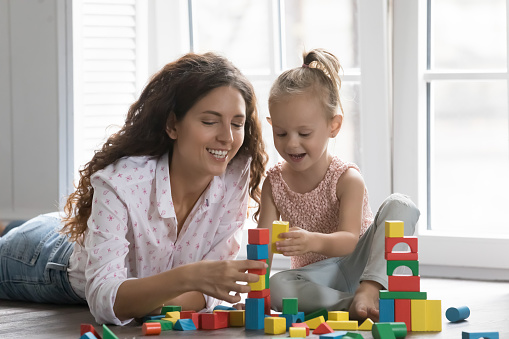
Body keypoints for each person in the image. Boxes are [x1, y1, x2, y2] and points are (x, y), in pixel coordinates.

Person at [0, 52, 269, 325]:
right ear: (172, 125)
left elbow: (210, 292)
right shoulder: (122, 182)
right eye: (210, 122)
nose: (227, 137)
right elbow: (106, 300)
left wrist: (155, 298)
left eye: (237, 123)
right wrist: (190, 278)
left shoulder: (235, 170)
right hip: (47, 258)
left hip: (82, 232)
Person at [256, 48, 420, 322]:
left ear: (334, 125)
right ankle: (351, 305)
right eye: (281, 133)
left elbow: (348, 241)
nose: (291, 143)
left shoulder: (346, 178)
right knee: (276, 287)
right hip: (317, 279)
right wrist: (254, 296)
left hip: (363, 266)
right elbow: (262, 247)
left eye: (304, 133)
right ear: (271, 125)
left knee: (400, 204)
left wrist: (310, 239)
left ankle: (370, 290)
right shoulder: (274, 183)